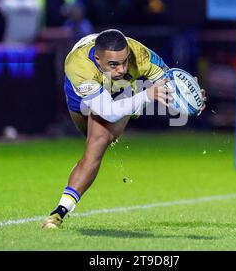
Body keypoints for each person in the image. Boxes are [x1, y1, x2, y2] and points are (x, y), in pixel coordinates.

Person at [41, 29, 206, 229]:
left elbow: (169, 85)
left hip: (124, 89)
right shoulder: (78, 65)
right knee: (94, 135)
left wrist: (190, 96)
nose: (121, 68)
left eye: (125, 61)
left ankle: (59, 212)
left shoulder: (141, 54)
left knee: (97, 143)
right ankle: (129, 110)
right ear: (97, 59)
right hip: (84, 94)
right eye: (113, 64)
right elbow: (108, 111)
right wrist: (147, 97)